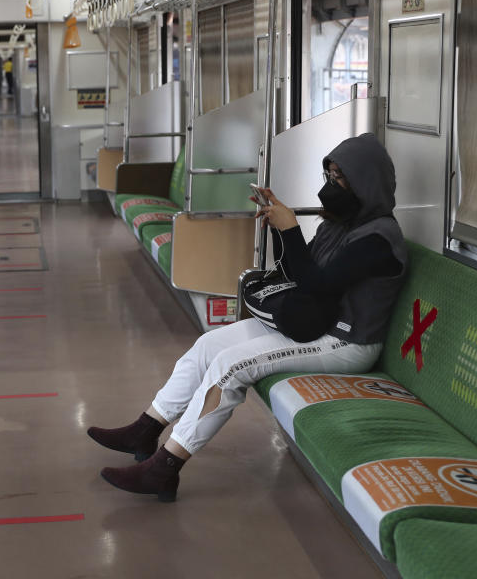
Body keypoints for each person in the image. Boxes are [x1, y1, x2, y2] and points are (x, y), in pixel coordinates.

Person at [87, 133, 408, 502]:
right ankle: (146, 428)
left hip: (346, 341)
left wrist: (291, 229)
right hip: (315, 324)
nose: (330, 186)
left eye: (339, 178)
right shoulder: (339, 225)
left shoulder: (380, 239)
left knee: (230, 366)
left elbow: (318, 284)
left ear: (365, 182)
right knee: (210, 344)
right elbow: (294, 274)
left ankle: (164, 468)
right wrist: (278, 228)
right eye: (329, 176)